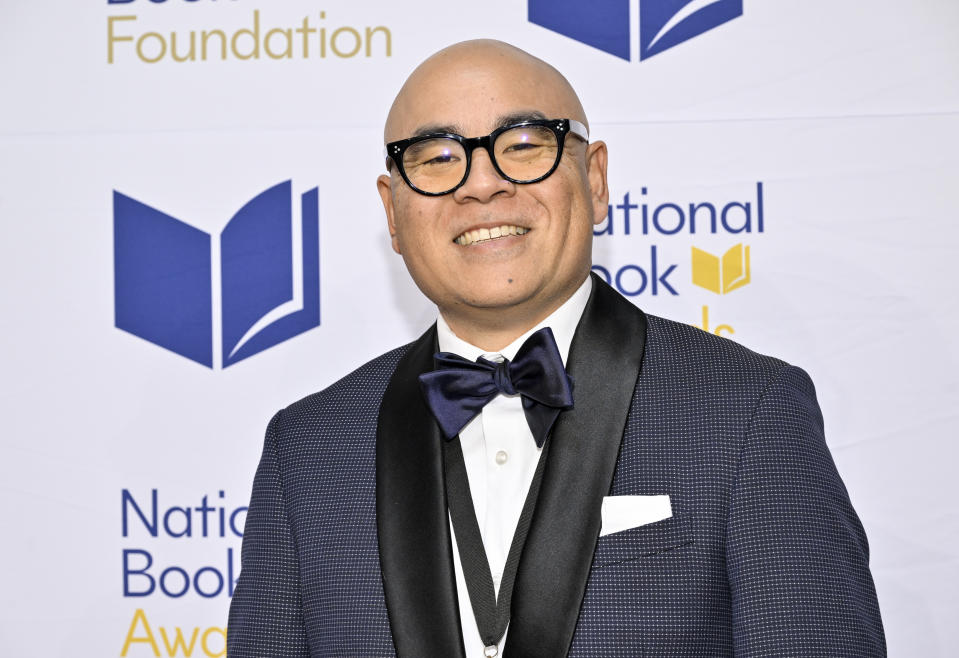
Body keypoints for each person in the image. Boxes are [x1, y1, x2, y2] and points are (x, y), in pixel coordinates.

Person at [227, 39, 885, 657]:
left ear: (594, 179)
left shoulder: (746, 412)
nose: (480, 185)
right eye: (435, 158)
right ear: (393, 211)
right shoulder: (306, 449)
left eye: (521, 145)